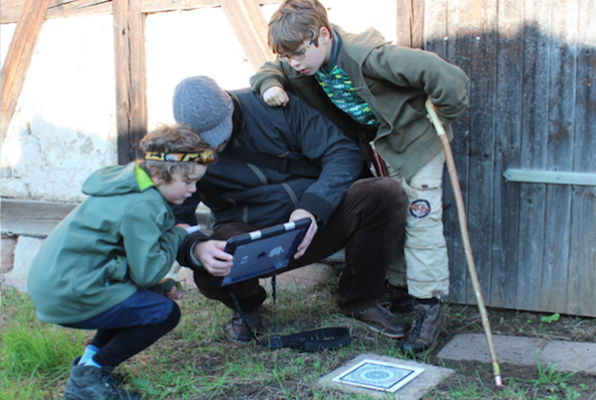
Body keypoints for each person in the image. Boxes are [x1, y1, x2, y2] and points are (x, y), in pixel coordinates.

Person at [249, 0, 469, 354]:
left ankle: (428, 310)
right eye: (289, 58)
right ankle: (399, 290)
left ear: (323, 34)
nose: (294, 64)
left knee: (422, 224)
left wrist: (441, 118)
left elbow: (449, 79)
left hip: (415, 146)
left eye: (298, 54)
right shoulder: (306, 62)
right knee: (395, 217)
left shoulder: (370, 55)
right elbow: (268, 69)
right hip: (379, 150)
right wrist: (269, 84)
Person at [171, 76, 410, 344]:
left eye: (216, 134)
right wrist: (196, 248)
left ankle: (359, 299)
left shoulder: (273, 107)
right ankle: (248, 306)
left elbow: (341, 152)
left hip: (315, 221)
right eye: (202, 141)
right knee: (210, 262)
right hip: (254, 238)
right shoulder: (180, 149)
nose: (211, 146)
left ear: (230, 107)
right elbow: (173, 216)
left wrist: (312, 208)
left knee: (385, 194)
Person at [27, 124, 215, 400]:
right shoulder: (145, 205)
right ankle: (90, 378)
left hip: (59, 283)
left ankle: (89, 366)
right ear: (159, 174)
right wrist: (177, 234)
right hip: (72, 290)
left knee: (135, 304)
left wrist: (157, 285)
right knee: (164, 314)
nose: (193, 190)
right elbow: (147, 274)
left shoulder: (129, 182)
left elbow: (127, 261)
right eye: (188, 182)